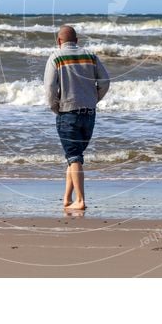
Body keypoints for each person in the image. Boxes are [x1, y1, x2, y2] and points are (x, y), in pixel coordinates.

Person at [43, 25, 110, 210]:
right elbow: (105, 81)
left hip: (68, 112)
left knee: (74, 157)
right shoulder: (90, 55)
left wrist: (54, 107)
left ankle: (80, 200)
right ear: (77, 40)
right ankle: (67, 198)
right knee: (74, 157)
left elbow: (49, 88)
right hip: (89, 114)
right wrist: (94, 98)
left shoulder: (56, 57)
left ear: (58, 41)